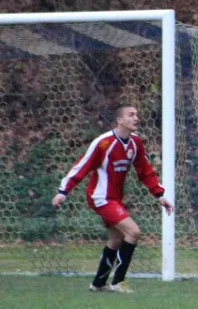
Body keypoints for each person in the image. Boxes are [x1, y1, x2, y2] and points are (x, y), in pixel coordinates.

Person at [51, 104, 174, 293]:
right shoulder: (103, 143)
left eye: (137, 114)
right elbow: (81, 165)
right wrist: (63, 191)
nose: (136, 118)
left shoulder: (135, 143)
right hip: (100, 197)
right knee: (133, 232)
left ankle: (98, 284)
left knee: (116, 239)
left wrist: (159, 194)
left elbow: (145, 171)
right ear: (120, 120)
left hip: (115, 198)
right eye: (131, 115)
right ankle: (118, 282)